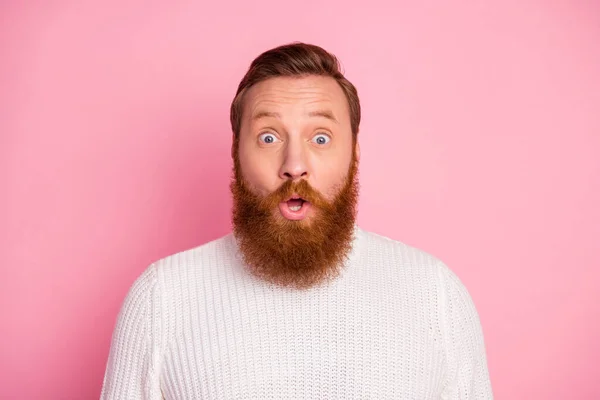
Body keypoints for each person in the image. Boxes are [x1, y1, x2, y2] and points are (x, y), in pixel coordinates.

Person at [100, 42, 494, 399]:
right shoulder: (162, 300)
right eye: (268, 137)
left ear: (354, 154)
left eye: (320, 138)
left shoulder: (434, 293)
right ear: (236, 153)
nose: (294, 166)